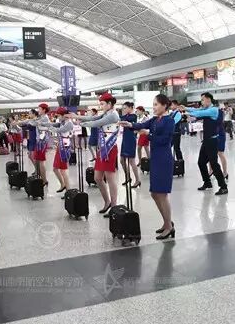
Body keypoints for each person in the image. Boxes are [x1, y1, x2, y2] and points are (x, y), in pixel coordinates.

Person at [119, 94, 175, 240]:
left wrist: (148, 135)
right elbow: (141, 125)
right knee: (154, 193)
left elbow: (165, 140)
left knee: (162, 194)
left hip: (164, 159)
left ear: (164, 105)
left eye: (156, 104)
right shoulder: (155, 119)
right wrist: (130, 125)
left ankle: (169, 227)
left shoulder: (169, 121)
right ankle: (167, 222)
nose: (154, 107)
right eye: (154, 104)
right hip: (155, 159)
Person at [68, 93, 120, 215]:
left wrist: (80, 124)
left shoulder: (113, 115)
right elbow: (92, 118)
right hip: (102, 148)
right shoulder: (106, 113)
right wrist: (76, 116)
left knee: (110, 178)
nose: (101, 106)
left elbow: (97, 123)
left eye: (102, 104)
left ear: (109, 104)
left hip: (109, 149)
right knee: (97, 178)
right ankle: (107, 201)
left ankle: (114, 206)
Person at [182, 92, 228, 195]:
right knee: (201, 162)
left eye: (202, 99)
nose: (201, 102)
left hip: (212, 140)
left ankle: (223, 187)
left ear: (208, 99)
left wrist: (186, 112)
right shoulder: (206, 109)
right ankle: (207, 183)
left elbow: (198, 113)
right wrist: (185, 108)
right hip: (206, 140)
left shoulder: (213, 110)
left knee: (214, 164)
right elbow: (197, 110)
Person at [21, 103, 51, 184]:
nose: (38, 110)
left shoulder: (44, 118)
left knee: (41, 161)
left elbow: (33, 123)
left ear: (44, 110)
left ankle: (44, 180)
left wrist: (22, 122)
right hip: (39, 141)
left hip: (42, 141)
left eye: (39, 109)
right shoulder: (41, 117)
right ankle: (42, 178)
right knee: (37, 160)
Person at [46, 107, 74, 195]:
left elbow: (59, 130)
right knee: (55, 168)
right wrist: (44, 124)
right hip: (60, 146)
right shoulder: (62, 122)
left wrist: (50, 128)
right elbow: (54, 124)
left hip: (64, 148)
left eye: (58, 115)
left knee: (63, 170)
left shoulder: (69, 123)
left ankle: (68, 191)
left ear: (63, 115)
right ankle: (63, 184)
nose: (57, 117)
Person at [119, 101, 140, 188]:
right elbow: (121, 119)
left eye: (125, 108)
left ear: (131, 108)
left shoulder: (133, 116)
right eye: (123, 108)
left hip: (131, 140)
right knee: (121, 160)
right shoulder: (126, 116)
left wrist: (122, 119)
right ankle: (128, 177)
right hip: (125, 139)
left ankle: (137, 180)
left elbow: (123, 120)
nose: (124, 110)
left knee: (131, 161)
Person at [208, 101, 228, 180]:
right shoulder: (210, 111)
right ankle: (211, 170)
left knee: (220, 153)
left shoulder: (219, 112)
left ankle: (225, 172)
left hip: (219, 134)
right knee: (211, 153)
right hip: (212, 134)